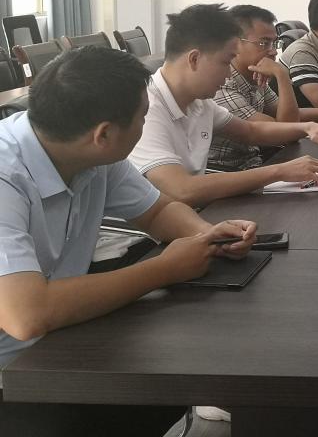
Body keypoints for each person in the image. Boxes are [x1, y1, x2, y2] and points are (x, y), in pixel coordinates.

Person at [0, 46, 257, 436]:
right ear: (104, 134)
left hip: (55, 341)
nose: (145, 124)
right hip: (14, 374)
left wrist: (206, 235)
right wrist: (164, 269)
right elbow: (26, 315)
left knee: (166, 380)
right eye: (142, 117)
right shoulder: (7, 176)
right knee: (147, 390)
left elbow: (156, 211)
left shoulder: (89, 151)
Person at [129, 4, 318, 206]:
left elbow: (251, 131)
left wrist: (309, 127)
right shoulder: (146, 109)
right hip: (164, 228)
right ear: (194, 59)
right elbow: (182, 190)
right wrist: (279, 171)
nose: (227, 74)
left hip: (197, 212)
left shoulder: (199, 102)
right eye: (225, 62)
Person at [208, 4, 318, 171]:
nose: (273, 52)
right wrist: (282, 75)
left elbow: (289, 117)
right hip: (228, 172)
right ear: (234, 44)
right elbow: (284, 132)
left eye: (274, 43)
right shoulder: (224, 86)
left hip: (256, 162)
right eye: (263, 43)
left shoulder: (255, 75)